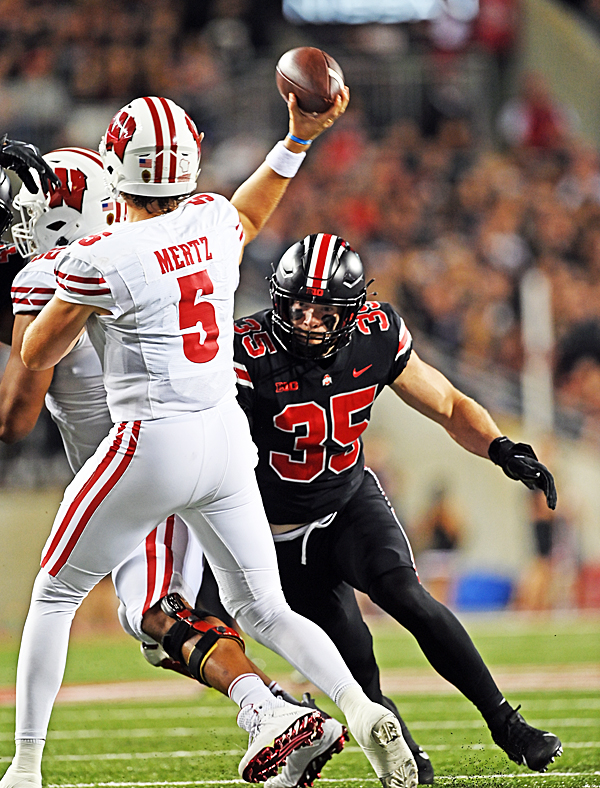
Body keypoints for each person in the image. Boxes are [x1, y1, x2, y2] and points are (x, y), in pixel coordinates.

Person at [4, 94, 420, 788]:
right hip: (227, 442)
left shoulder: (97, 255)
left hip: (150, 445)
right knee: (264, 608)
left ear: (117, 166)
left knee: (54, 595)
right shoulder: (209, 220)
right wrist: (295, 138)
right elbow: (253, 209)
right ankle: (357, 704)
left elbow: (37, 352)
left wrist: (47, 276)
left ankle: (24, 766)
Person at [232, 232, 563, 780]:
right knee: (353, 655)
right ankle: (407, 754)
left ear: (353, 311)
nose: (309, 321)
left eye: (323, 310)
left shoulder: (377, 333)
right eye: (299, 306)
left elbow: (448, 403)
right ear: (279, 298)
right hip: (274, 532)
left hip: (346, 502)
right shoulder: (245, 350)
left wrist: (501, 448)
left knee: (407, 594)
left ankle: (507, 724)